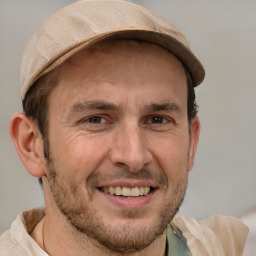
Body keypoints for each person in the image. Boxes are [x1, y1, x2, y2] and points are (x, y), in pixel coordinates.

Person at [0, 0, 248, 255]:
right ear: (31, 145)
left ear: (191, 142)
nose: (134, 157)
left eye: (157, 119)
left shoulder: (226, 246)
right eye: (96, 119)